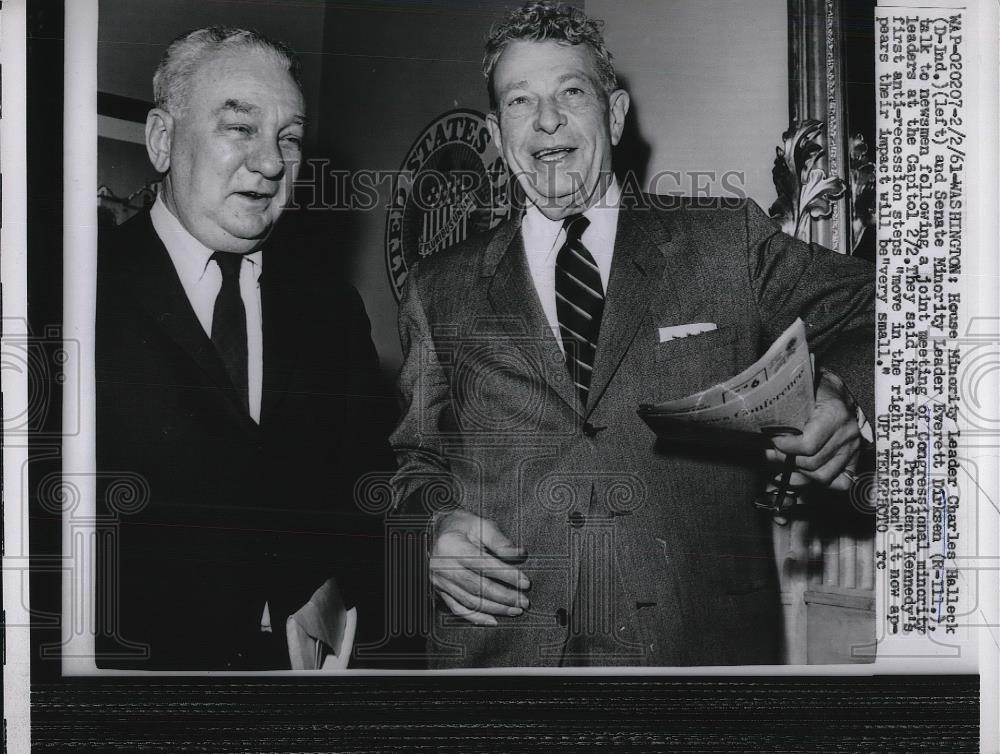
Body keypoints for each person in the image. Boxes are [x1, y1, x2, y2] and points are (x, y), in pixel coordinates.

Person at [390, 1, 874, 668]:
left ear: (613, 115)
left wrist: (847, 398)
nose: (547, 119)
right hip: (501, 667)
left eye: (571, 91)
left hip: (691, 658)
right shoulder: (437, 286)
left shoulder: (723, 241)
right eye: (519, 100)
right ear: (500, 137)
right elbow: (416, 460)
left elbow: (884, 311)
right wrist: (432, 527)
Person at [95, 27, 391, 670]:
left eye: (289, 137)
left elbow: (370, 484)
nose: (270, 163)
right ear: (162, 140)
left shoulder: (332, 307)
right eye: (240, 128)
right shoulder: (74, 291)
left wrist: (337, 590)